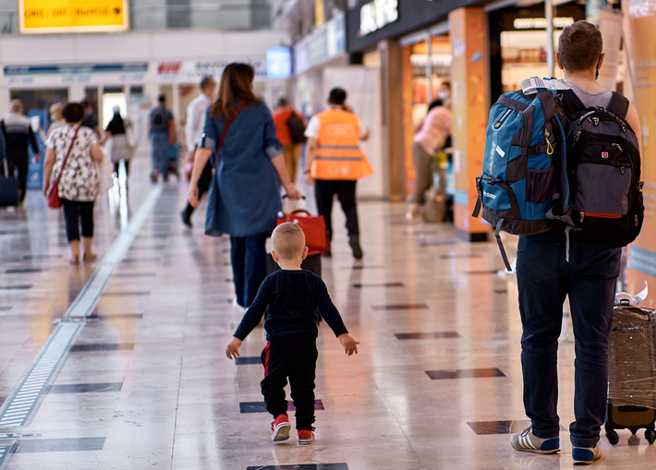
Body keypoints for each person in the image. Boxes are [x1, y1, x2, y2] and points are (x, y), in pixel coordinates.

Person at [510, 21, 642, 465]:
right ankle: (585, 441)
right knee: (592, 341)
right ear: (602, 60)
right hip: (602, 242)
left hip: (543, 239)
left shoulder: (539, 101)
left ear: (559, 59)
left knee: (539, 338)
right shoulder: (624, 107)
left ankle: (544, 433)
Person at [226, 222, 359, 445]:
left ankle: (279, 417)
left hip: (278, 345)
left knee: (271, 384)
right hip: (306, 344)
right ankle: (305, 430)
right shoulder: (315, 282)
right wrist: (342, 334)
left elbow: (254, 312)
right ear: (306, 252)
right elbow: (329, 310)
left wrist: (237, 338)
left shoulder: (270, 282)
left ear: (274, 255)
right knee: (304, 387)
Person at [187, 63, 302, 309]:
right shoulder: (260, 109)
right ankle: (253, 303)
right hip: (260, 183)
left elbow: (205, 146)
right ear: (246, 81)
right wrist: (288, 183)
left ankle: (243, 299)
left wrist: (194, 183)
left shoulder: (214, 110)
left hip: (229, 183)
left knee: (237, 242)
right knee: (254, 243)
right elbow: (273, 148)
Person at [303, 88, 372, 259]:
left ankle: (327, 246)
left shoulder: (318, 120)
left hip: (324, 173)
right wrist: (352, 114)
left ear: (328, 100)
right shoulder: (352, 119)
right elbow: (365, 135)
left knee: (324, 210)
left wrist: (307, 170)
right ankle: (354, 237)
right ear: (344, 101)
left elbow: (311, 146)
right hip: (348, 172)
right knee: (350, 207)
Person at [42, 103, 104, 265]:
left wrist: (46, 181)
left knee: (70, 217)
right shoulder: (88, 134)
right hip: (87, 181)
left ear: (64, 116)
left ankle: (75, 254)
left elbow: (49, 161)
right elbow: (97, 156)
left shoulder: (56, 134)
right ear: (81, 117)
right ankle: (88, 252)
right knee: (87, 216)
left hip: (66, 182)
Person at [180, 76, 217, 228]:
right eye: (213, 85)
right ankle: (187, 211)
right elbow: (190, 127)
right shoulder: (197, 104)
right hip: (200, 147)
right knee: (202, 182)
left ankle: (209, 216)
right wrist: (191, 148)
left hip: (213, 148)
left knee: (210, 182)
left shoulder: (214, 103)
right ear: (207, 86)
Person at [409, 99, 453, 221]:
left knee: (425, 177)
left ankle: (421, 209)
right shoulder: (447, 114)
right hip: (426, 146)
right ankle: (415, 207)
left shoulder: (435, 111)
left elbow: (417, 126)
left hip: (419, 142)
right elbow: (455, 132)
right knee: (423, 178)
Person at [1, 100, 40, 207]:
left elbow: (2, 139)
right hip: (23, 152)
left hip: (9, 153)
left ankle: (11, 196)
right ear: (21, 109)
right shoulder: (26, 121)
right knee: (23, 175)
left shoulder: (5, 121)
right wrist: (36, 152)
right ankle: (21, 199)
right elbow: (31, 138)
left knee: (10, 175)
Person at [272, 97, 306, 184]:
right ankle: (292, 183)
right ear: (288, 103)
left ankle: (287, 183)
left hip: (282, 143)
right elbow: (305, 123)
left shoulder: (275, 116)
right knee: (295, 163)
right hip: (295, 142)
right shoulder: (294, 113)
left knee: (286, 165)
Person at [149, 95, 175, 182]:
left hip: (154, 134)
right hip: (164, 134)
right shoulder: (167, 111)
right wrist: (172, 137)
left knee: (155, 153)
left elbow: (149, 124)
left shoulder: (153, 111)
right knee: (164, 153)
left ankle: (155, 170)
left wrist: (150, 134)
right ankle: (164, 173)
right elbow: (171, 124)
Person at [103, 107, 133, 178]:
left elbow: (107, 134)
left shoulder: (111, 122)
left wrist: (103, 143)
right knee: (126, 162)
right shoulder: (124, 121)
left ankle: (118, 177)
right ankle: (126, 178)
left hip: (116, 144)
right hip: (124, 143)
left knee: (116, 163)